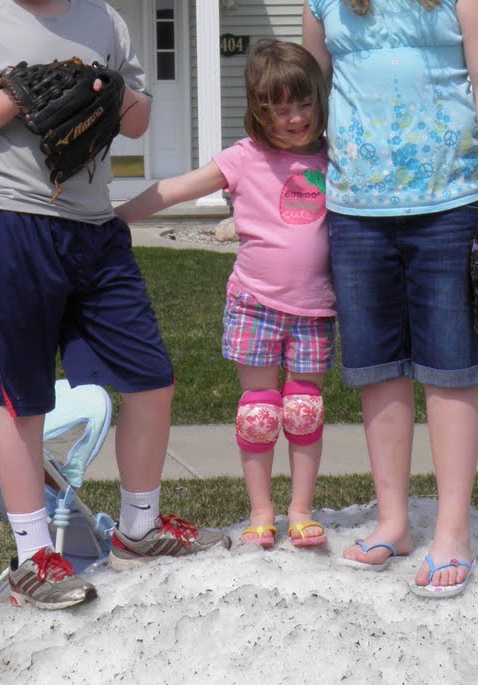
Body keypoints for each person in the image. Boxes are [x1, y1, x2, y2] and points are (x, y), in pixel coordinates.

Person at [0, 0, 229, 611]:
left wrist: (113, 93)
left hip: (94, 228)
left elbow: (138, 122)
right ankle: (35, 556)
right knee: (22, 397)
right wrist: (13, 98)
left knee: (151, 379)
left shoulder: (102, 20)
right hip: (12, 225)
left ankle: (138, 530)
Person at [300, 0, 478, 599]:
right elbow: (309, 99)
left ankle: (452, 530)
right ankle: (393, 521)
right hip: (356, 210)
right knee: (377, 369)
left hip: (449, 204)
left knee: (451, 368)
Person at [115, 40, 335, 552]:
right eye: (281, 110)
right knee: (259, 414)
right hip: (255, 305)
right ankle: (261, 513)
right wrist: (115, 216)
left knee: (304, 409)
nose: (296, 119)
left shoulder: (333, 156)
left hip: (314, 307)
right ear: (260, 110)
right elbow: (175, 189)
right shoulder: (244, 158)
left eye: (304, 105)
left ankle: (301, 511)